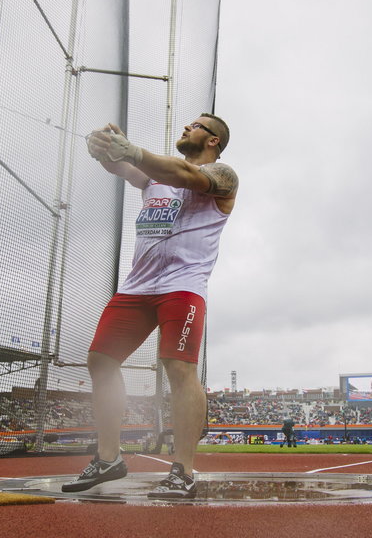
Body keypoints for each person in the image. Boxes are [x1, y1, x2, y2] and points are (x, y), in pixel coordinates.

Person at [61, 113, 236, 499]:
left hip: (183, 286)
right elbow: (124, 167)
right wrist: (105, 149)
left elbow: (184, 176)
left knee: (178, 367)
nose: (188, 126)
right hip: (138, 286)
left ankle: (183, 470)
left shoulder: (223, 176)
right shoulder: (153, 175)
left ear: (213, 141)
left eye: (197, 125)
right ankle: (108, 459)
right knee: (101, 360)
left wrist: (133, 151)